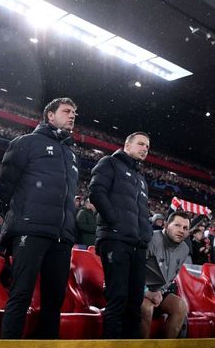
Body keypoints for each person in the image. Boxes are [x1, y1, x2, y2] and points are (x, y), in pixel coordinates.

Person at [0, 97, 79, 339]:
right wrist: (23, 217)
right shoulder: (27, 143)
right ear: (50, 116)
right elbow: (5, 187)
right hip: (30, 231)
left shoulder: (70, 154)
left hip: (61, 236)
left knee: (54, 301)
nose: (72, 115)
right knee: (21, 294)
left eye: (75, 112)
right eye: (67, 111)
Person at [89, 132, 151, 339]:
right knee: (118, 298)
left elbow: (142, 212)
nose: (145, 148)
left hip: (137, 244)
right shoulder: (109, 163)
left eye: (147, 146)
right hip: (115, 240)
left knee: (135, 302)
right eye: (141, 144)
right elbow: (96, 191)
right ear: (127, 144)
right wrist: (114, 221)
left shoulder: (141, 179)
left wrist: (146, 235)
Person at [140, 211, 190, 338]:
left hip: (158, 292)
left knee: (180, 306)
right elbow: (132, 271)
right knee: (146, 307)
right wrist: (146, 292)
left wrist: (160, 293)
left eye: (185, 228)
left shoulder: (184, 249)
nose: (181, 230)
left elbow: (170, 276)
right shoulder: (151, 239)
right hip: (137, 289)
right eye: (177, 225)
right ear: (166, 225)